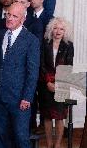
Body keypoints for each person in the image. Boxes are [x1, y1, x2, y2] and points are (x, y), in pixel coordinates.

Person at [0, 2, 40, 148]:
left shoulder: (31, 40)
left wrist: (27, 97)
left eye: (14, 16)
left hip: (19, 99)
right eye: (8, 14)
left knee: (21, 138)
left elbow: (33, 72)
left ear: (23, 19)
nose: (10, 18)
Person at [39, 17, 73, 148]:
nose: (58, 31)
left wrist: (57, 84)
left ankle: (57, 145)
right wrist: (48, 82)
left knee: (60, 117)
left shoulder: (69, 46)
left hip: (62, 84)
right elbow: (41, 65)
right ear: (51, 29)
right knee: (47, 117)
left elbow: (68, 66)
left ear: (65, 31)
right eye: (55, 28)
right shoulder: (45, 43)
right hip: (45, 84)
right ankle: (49, 144)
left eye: (62, 29)